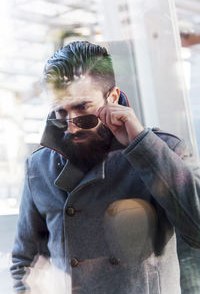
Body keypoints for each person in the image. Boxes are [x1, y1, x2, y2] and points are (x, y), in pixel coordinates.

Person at [10, 41, 200, 294]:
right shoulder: (39, 166)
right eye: (60, 111)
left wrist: (141, 144)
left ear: (111, 97)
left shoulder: (162, 149)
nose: (71, 126)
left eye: (82, 108)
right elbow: (25, 259)